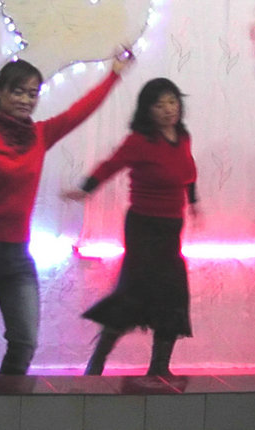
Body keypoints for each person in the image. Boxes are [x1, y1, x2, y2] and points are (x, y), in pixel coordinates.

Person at [0, 51, 132, 375]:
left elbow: (80, 111)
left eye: (32, 94)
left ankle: (5, 402)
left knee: (24, 342)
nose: (25, 100)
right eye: (18, 92)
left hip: (17, 256)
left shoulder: (39, 135)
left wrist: (114, 74)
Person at [62, 77, 199, 377]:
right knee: (135, 292)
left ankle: (159, 369)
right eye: (159, 105)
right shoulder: (139, 141)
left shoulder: (182, 136)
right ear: (147, 110)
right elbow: (111, 164)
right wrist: (86, 188)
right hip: (143, 227)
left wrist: (193, 201)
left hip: (171, 228)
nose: (168, 109)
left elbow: (188, 170)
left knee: (173, 293)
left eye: (172, 102)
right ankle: (97, 364)